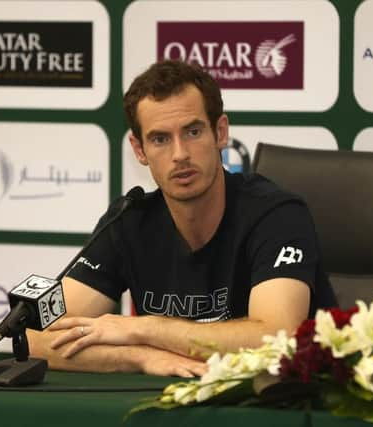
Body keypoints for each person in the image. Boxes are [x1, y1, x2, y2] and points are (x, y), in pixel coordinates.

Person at [27, 60, 336, 377]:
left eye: (193, 132)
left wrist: (145, 328)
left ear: (220, 132)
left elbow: (275, 337)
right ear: (139, 149)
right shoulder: (128, 220)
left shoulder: (277, 215)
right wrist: (140, 358)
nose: (180, 154)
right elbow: (33, 336)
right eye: (160, 139)